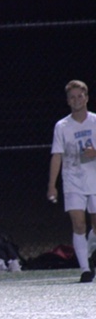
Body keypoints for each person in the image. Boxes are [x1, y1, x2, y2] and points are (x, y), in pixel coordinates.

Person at [48, 79, 96, 283]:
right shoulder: (62, 126)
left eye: (80, 96)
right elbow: (57, 155)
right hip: (73, 181)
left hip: (94, 179)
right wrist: (52, 185)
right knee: (79, 224)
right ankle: (85, 269)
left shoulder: (94, 121)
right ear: (68, 101)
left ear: (86, 98)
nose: (76, 100)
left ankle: (92, 252)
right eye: (72, 97)